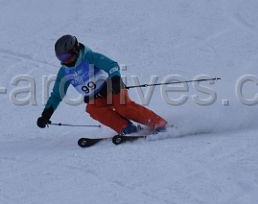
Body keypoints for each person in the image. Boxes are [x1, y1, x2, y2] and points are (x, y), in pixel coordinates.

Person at [37, 35, 167, 134]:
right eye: (61, 58)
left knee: (123, 107)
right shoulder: (64, 72)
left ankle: (158, 123)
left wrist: (115, 78)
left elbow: (112, 65)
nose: (65, 61)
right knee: (92, 109)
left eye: (66, 56)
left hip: (112, 88)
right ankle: (126, 128)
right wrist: (46, 115)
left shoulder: (89, 57)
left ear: (75, 50)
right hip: (95, 98)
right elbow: (57, 95)